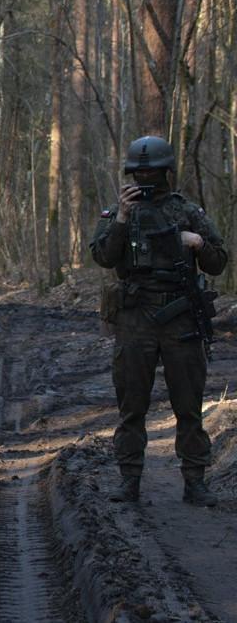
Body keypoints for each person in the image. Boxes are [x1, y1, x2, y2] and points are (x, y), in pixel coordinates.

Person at [89, 135, 228, 507]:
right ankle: (129, 480)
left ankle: (195, 481)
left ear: (167, 172)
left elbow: (219, 261)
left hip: (181, 317)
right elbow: (103, 257)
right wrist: (120, 216)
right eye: (139, 172)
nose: (146, 177)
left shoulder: (188, 213)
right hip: (135, 320)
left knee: (189, 405)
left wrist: (198, 243)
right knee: (131, 405)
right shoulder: (119, 212)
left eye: (152, 171)